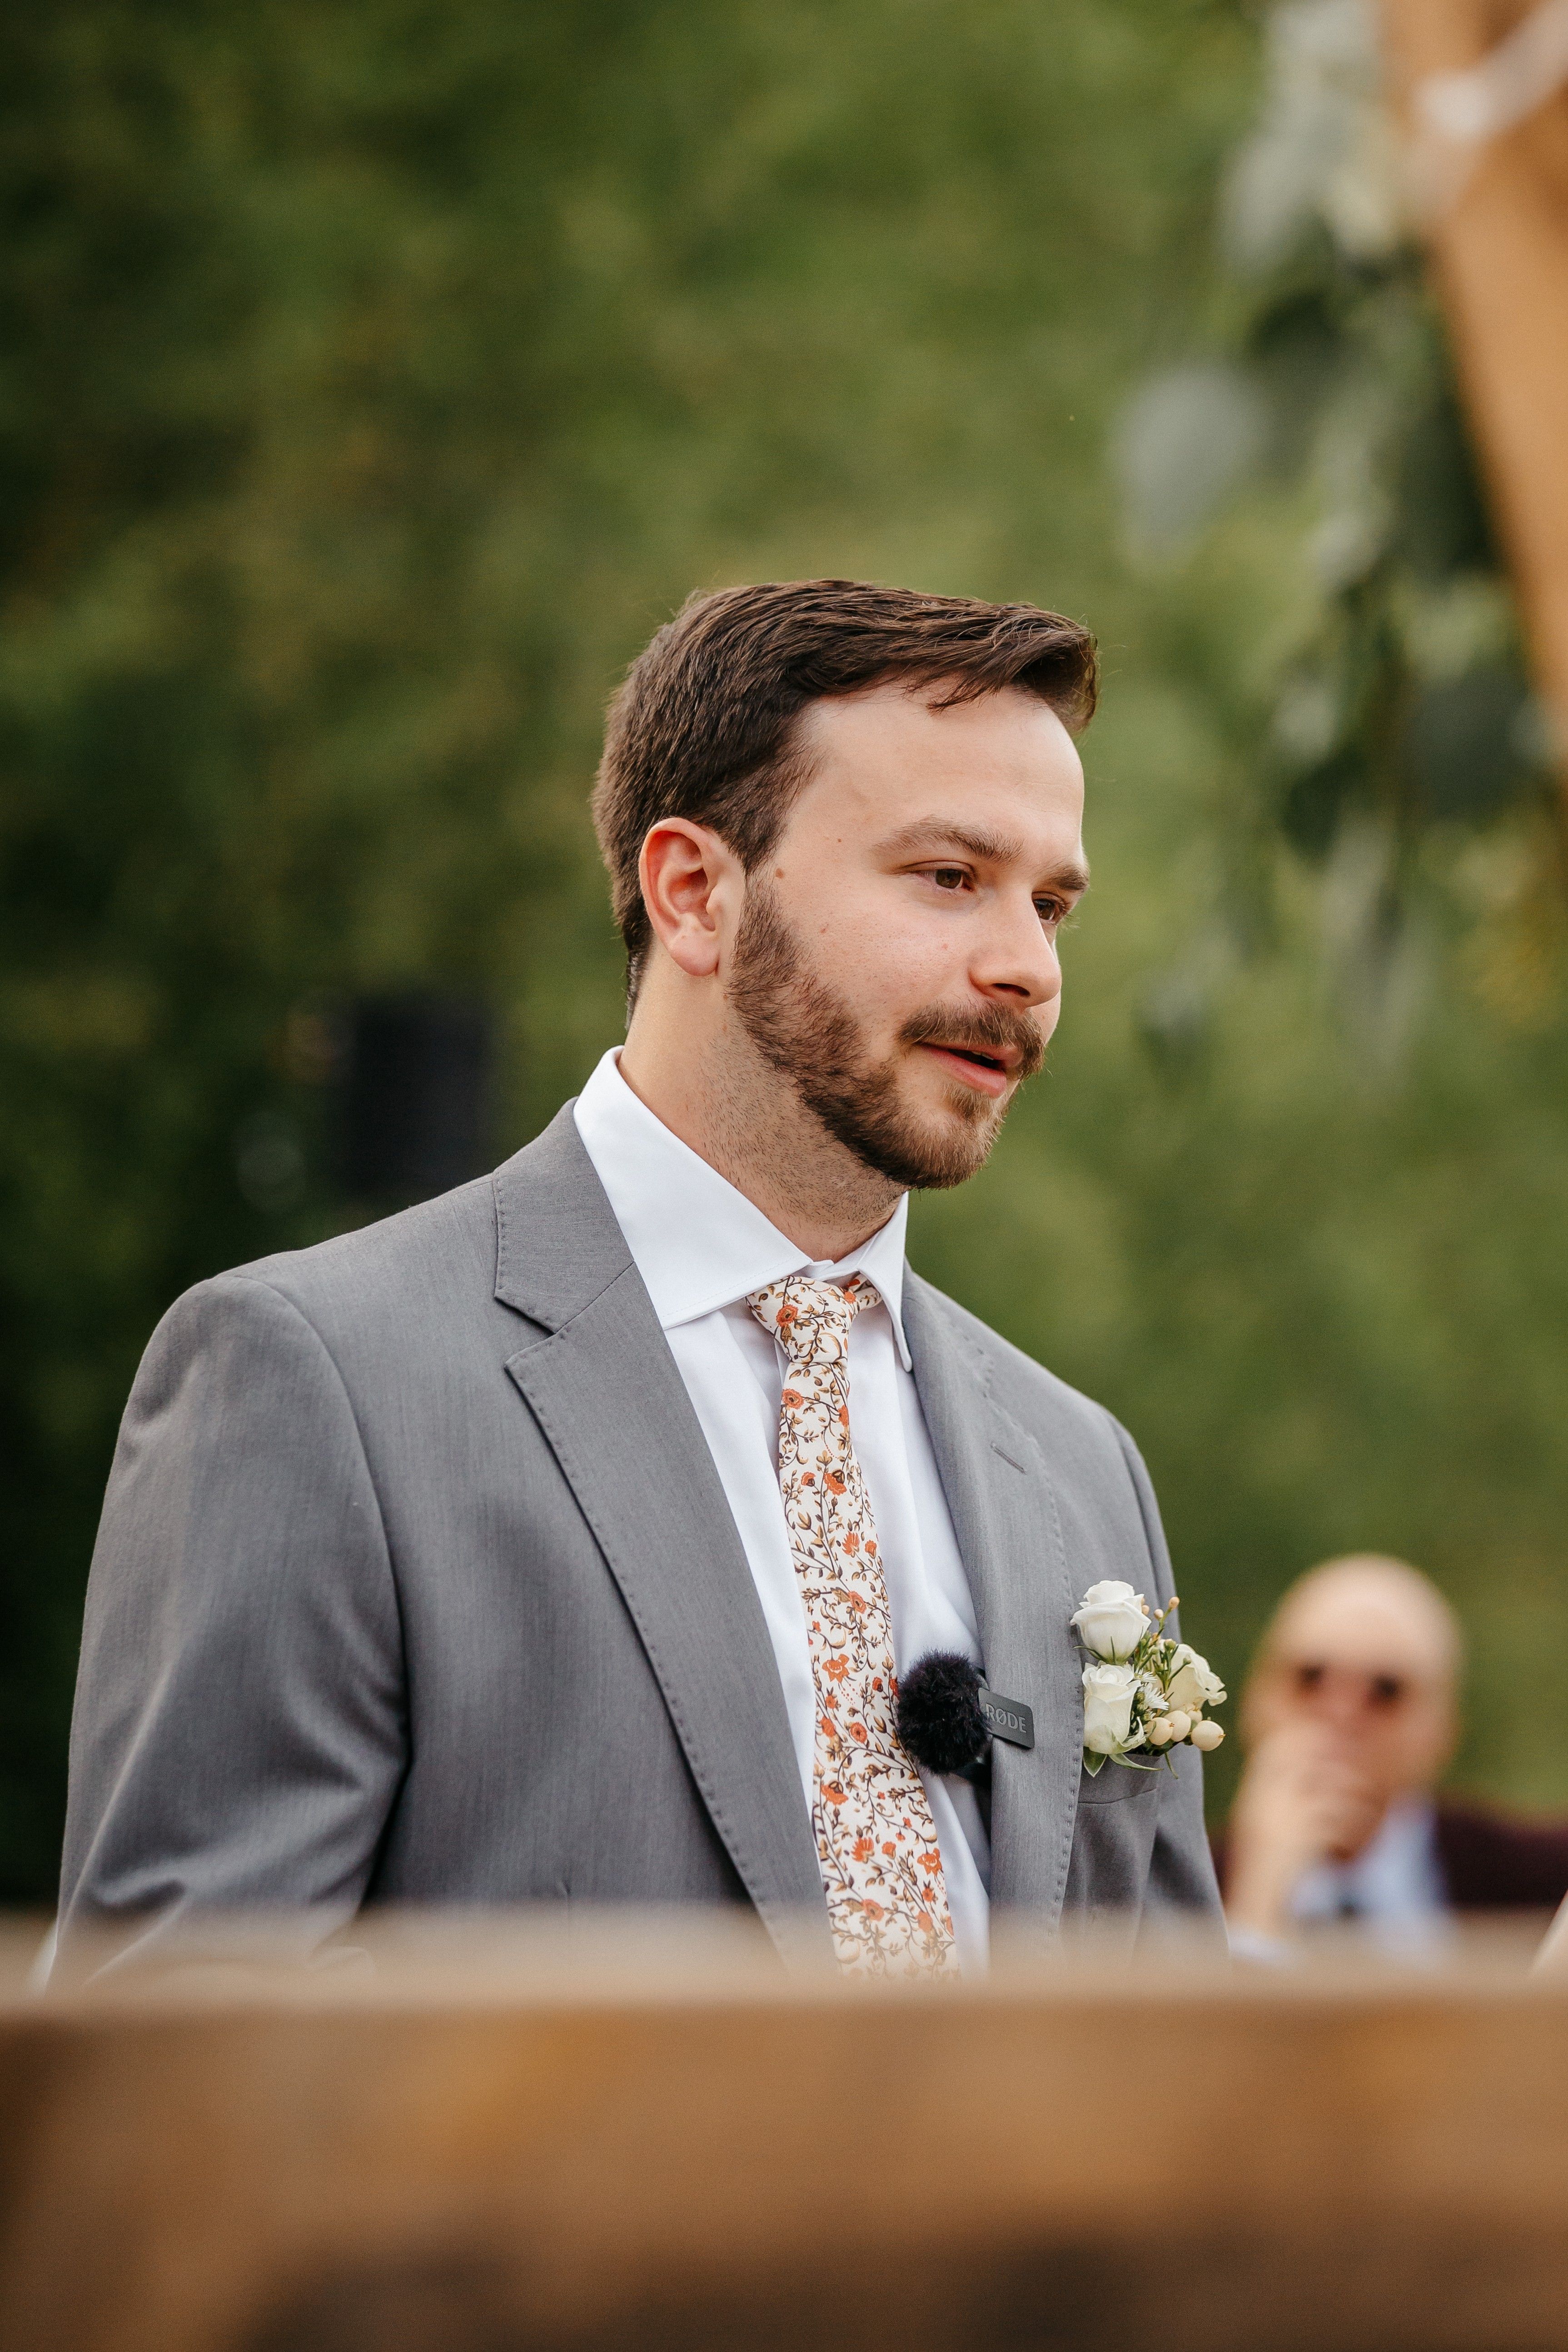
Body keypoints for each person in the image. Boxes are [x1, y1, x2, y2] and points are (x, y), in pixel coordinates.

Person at [59, 578, 1221, 1978]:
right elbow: (181, 2079)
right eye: (949, 877)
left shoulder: (1083, 1466)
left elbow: (1172, 2062)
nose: (1026, 966)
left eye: (1051, 905)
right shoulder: (315, 1377)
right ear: (693, 893)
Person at [1218, 1553, 1568, 1949]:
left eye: (1385, 1690)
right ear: (1254, 1701)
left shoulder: (1533, 1880)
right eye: (1310, 1678)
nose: (1341, 1712)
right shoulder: (1163, 1880)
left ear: (1443, 1729)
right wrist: (1256, 1899)